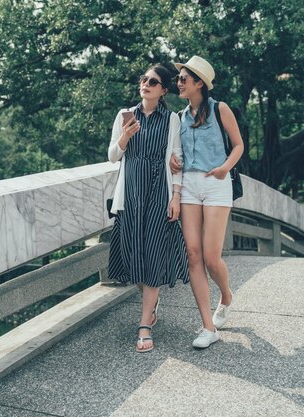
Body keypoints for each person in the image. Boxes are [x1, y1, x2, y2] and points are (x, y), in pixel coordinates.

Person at [108, 64, 190, 353]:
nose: (145, 84)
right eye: (143, 79)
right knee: (133, 256)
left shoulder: (171, 120)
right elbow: (112, 156)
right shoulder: (124, 115)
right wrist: (126, 136)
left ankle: (144, 325)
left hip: (158, 192)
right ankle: (151, 301)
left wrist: (176, 197)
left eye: (152, 82)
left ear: (163, 90)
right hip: (130, 193)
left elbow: (177, 160)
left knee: (153, 253)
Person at [170, 56, 244, 349]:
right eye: (179, 79)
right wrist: (174, 160)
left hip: (216, 184)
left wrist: (226, 167)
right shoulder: (179, 117)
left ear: (199, 82)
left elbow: (238, 144)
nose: (179, 83)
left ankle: (225, 295)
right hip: (189, 185)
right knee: (193, 253)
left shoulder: (219, 108)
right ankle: (207, 326)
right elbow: (176, 153)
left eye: (184, 79)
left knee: (212, 257)